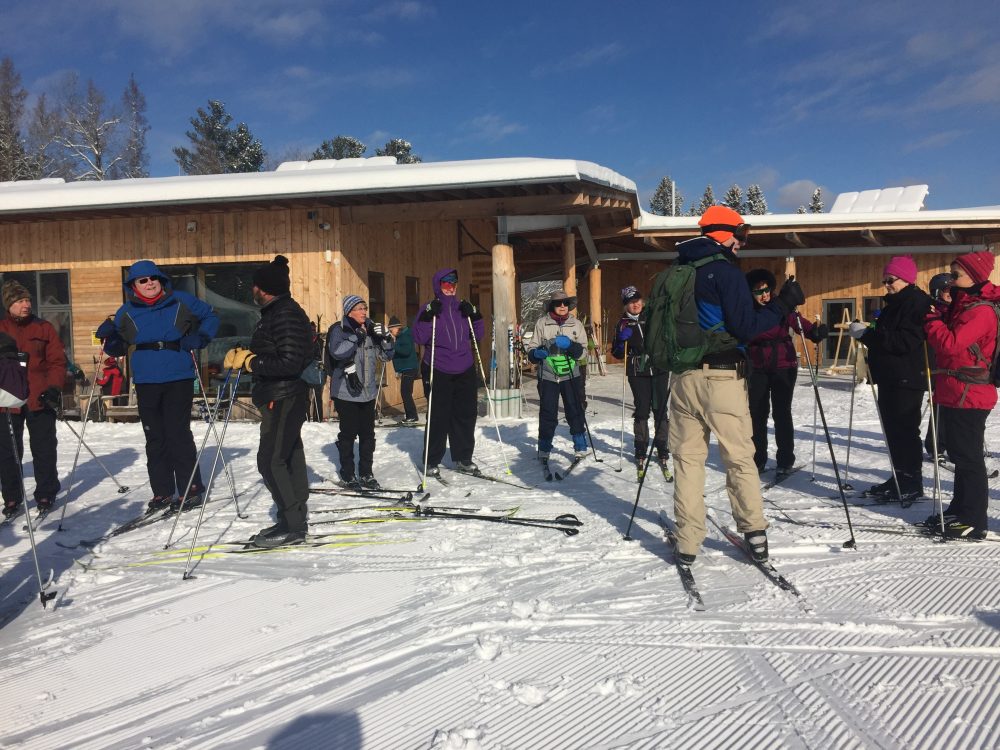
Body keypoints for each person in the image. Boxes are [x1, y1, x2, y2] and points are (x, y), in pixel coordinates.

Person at [667, 205, 804, 565]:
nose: (742, 243)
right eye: (741, 235)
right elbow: (746, 327)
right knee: (739, 457)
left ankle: (687, 542)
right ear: (724, 234)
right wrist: (783, 304)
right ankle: (754, 533)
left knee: (688, 461)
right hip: (721, 377)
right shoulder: (725, 272)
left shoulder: (677, 269)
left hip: (682, 379)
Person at [96, 261, 219, 513]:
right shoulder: (126, 311)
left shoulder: (180, 300)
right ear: (133, 286)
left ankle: (190, 489)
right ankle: (162, 491)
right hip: (146, 379)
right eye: (143, 280)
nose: (149, 283)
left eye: (153, 278)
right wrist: (109, 339)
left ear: (161, 280)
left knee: (177, 433)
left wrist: (202, 336)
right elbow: (119, 346)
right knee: (155, 437)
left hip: (178, 375)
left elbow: (210, 315)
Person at [224, 255, 313, 548]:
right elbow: (278, 351)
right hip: (281, 394)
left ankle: (293, 525)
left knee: (271, 460)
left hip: (283, 395)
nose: (252, 290)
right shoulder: (277, 312)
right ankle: (293, 518)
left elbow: (289, 362)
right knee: (288, 454)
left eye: (255, 286)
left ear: (263, 289)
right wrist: (249, 354)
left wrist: (251, 362)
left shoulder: (284, 314)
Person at [923, 250, 999, 539]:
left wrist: (932, 320)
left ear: (975, 276)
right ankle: (959, 510)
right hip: (957, 392)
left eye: (956, 275)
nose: (951, 280)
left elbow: (951, 344)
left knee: (969, 458)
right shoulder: (965, 304)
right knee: (959, 455)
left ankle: (974, 520)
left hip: (972, 394)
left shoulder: (981, 311)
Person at [847, 256, 931, 503]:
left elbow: (904, 341)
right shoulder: (895, 303)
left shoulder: (915, 303)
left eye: (890, 280)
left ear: (906, 279)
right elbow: (886, 334)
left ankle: (911, 482)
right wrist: (868, 330)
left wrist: (867, 335)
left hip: (906, 376)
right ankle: (900, 477)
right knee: (893, 431)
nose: (886, 285)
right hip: (891, 376)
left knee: (905, 430)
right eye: (884, 280)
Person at [745, 269, 828, 477]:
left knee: (781, 413)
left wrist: (814, 332)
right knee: (757, 414)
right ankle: (758, 458)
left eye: (767, 290)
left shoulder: (781, 307)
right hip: (757, 366)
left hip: (783, 365)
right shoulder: (747, 311)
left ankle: (785, 459)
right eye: (758, 292)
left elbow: (800, 323)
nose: (764, 295)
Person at [0, 280, 67, 518]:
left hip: (40, 397)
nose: (26, 305)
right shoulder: (1, 329)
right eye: (20, 301)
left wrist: (54, 388)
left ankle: (46, 493)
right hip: (8, 399)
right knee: (8, 452)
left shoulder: (44, 327)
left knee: (44, 448)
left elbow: (58, 361)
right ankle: (11, 497)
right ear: (9, 305)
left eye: (28, 300)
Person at [411, 268, 485, 478]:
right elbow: (419, 338)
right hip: (438, 367)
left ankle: (463, 458)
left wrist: (476, 315)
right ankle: (431, 460)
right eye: (446, 283)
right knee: (438, 415)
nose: (450, 287)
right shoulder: (430, 309)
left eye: (453, 283)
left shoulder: (462, 308)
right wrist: (427, 316)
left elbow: (478, 334)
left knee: (466, 414)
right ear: (438, 286)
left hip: (464, 366)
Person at [327, 295, 394, 489]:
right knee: (348, 434)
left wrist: (387, 338)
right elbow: (337, 352)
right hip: (345, 392)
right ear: (349, 311)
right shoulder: (339, 329)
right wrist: (357, 336)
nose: (364, 312)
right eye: (359, 308)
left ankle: (366, 473)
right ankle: (348, 474)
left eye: (365, 308)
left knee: (367, 435)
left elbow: (386, 356)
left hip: (368, 392)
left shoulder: (372, 329)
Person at [610, 285, 671, 480]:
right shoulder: (622, 323)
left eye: (637, 300)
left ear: (642, 301)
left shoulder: (652, 317)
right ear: (625, 305)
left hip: (659, 368)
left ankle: (662, 447)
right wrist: (621, 341)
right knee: (642, 409)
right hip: (638, 371)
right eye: (630, 302)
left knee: (660, 409)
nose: (635, 304)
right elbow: (616, 353)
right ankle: (641, 448)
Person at [530, 289, 589, 465]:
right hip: (548, 375)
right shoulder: (542, 323)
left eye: (565, 303)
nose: (562, 306)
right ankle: (544, 447)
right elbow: (531, 348)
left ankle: (580, 445)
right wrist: (535, 353)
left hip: (571, 375)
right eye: (558, 303)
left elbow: (583, 353)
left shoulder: (576, 324)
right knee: (548, 412)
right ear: (552, 306)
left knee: (574, 409)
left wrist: (571, 345)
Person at [924, 273, 952, 459]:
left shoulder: (956, 309)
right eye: (947, 290)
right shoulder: (934, 311)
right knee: (940, 405)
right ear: (937, 292)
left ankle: (954, 444)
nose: (951, 294)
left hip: (954, 364)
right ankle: (935, 445)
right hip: (935, 362)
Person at [388, 315, 421, 423]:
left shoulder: (405, 335)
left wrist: (393, 344)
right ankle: (412, 415)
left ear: (396, 328)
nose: (391, 333)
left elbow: (406, 351)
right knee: (406, 392)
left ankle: (412, 416)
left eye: (391, 330)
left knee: (405, 392)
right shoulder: (401, 336)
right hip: (407, 368)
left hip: (409, 368)